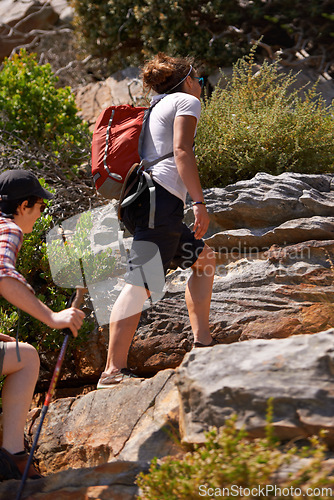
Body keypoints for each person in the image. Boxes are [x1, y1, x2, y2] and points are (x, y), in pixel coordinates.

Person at [97, 52, 217, 389]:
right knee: (141, 282)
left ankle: (203, 343)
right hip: (161, 200)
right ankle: (113, 370)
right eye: (200, 80)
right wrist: (199, 202)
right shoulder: (184, 101)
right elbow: (182, 151)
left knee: (203, 260)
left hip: (149, 201)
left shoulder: (157, 105)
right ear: (189, 79)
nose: (201, 86)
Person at [0, 169, 85, 479]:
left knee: (18, 351)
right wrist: (52, 317)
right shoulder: (8, 229)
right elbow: (3, 277)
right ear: (24, 206)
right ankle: (14, 457)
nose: (39, 215)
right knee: (28, 358)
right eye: (40, 207)